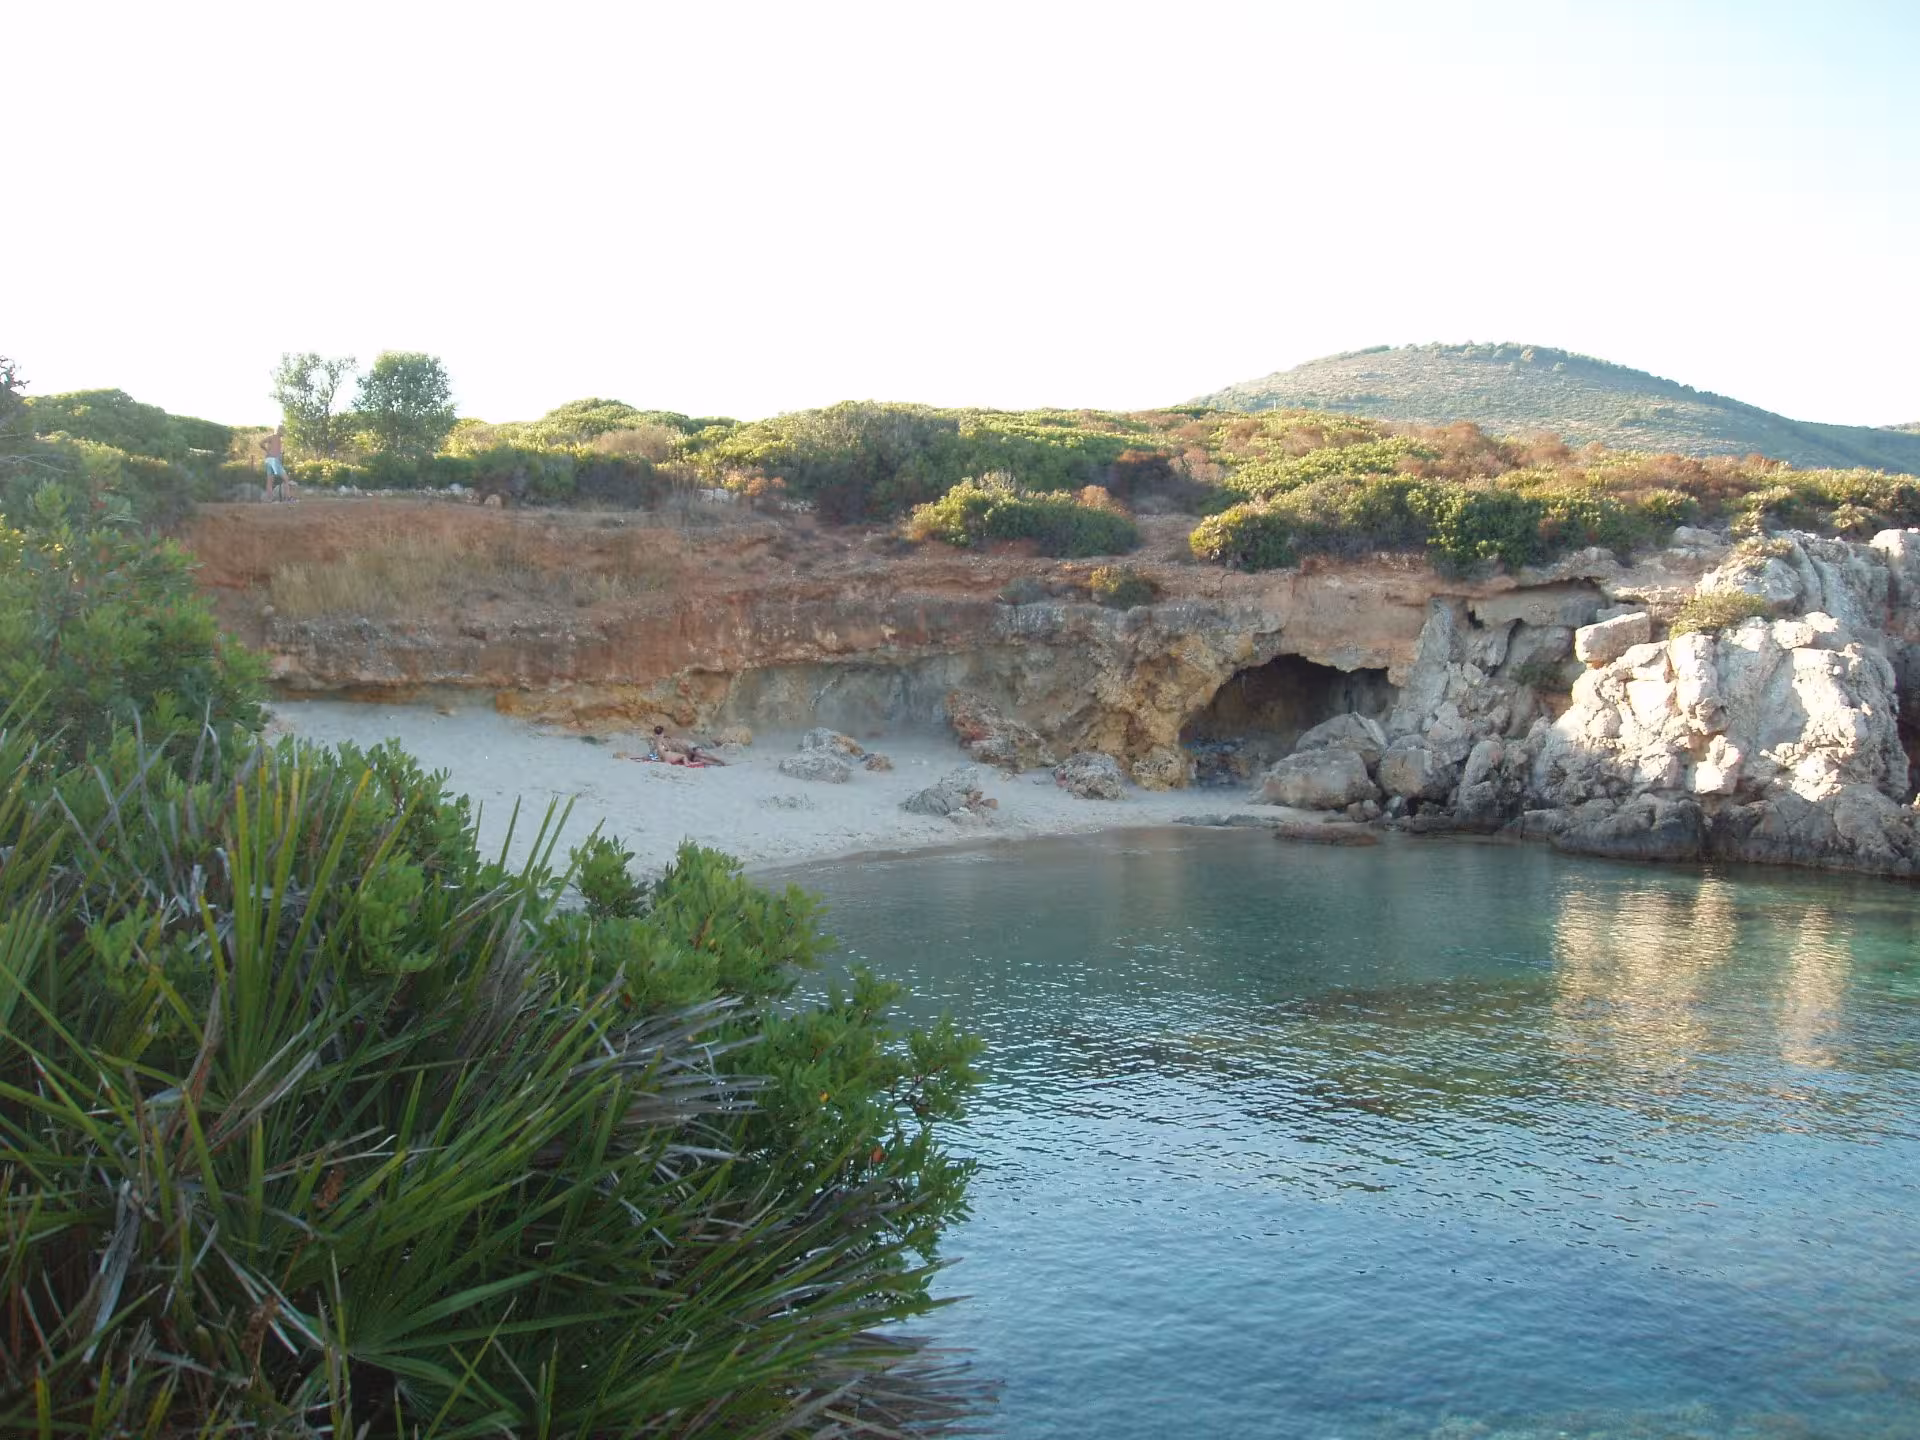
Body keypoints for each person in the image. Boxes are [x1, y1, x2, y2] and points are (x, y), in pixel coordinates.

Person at [263, 425, 291, 502]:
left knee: (270, 481)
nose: (283, 433)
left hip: (269, 460)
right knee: (286, 478)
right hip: (274, 460)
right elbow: (261, 443)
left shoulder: (272, 437)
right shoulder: (276, 437)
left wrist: (267, 451)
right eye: (283, 431)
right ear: (280, 431)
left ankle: (270, 499)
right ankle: (288, 498)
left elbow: (260, 443)